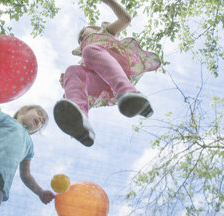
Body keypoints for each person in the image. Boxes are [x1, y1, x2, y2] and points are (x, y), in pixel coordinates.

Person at [53, 0, 161, 147]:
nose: (82, 38)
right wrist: (68, 82)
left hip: (117, 62)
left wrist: (110, 2)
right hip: (102, 81)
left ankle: (129, 92)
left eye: (84, 34)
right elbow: (81, 80)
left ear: (96, 30)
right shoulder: (86, 57)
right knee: (72, 71)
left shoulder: (105, 34)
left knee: (89, 50)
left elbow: (126, 19)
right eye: (80, 39)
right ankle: (81, 120)